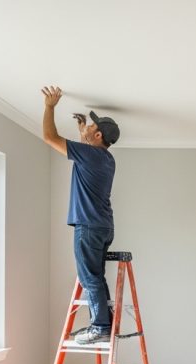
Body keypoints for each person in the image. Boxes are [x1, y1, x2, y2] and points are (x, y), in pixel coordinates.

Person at [40, 86, 121, 344]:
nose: (86, 129)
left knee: (89, 278)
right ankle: (104, 321)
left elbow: (50, 137)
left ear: (97, 135)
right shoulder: (106, 158)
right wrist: (83, 129)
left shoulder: (89, 155)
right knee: (96, 276)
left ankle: (99, 326)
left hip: (88, 226)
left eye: (91, 128)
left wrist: (50, 106)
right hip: (104, 226)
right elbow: (88, 149)